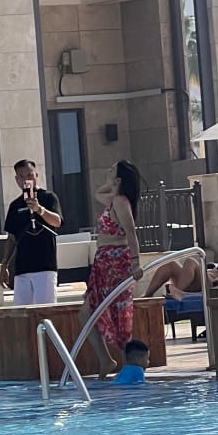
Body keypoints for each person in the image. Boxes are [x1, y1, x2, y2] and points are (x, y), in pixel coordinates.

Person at [85, 160, 142, 378]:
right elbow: (97, 193)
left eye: (112, 170)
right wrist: (112, 183)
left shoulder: (120, 201)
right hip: (104, 263)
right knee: (88, 313)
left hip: (116, 263)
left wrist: (136, 263)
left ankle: (127, 367)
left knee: (118, 316)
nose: (107, 171)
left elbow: (131, 232)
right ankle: (107, 360)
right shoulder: (113, 199)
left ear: (118, 180)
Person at [0, 159, 63, 306]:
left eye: (29, 175)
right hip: (22, 268)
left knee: (45, 310)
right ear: (17, 180)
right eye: (21, 177)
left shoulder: (48, 197)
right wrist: (4, 264)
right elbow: (11, 237)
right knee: (22, 312)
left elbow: (57, 221)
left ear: (36, 175)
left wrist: (39, 209)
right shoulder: (15, 205)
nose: (26, 180)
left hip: (44, 267)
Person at [140, 250, 206, 301]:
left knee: (190, 261)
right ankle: (147, 295)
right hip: (188, 283)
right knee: (171, 264)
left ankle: (179, 291)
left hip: (204, 285)